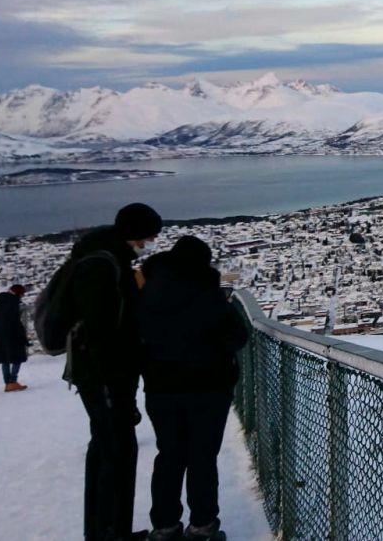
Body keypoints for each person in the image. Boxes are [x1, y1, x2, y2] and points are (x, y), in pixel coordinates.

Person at [139, 235, 246, 541]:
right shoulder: (207, 293)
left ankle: (164, 525)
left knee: (169, 456)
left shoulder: (146, 294)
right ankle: (202, 526)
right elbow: (237, 335)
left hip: (161, 388)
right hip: (207, 388)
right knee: (202, 456)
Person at [69, 202, 162, 541]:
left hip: (108, 376)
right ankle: (107, 532)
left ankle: (112, 530)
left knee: (112, 451)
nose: (148, 243)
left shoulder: (108, 260)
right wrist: (113, 379)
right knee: (113, 454)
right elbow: (103, 331)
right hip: (104, 376)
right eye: (147, 237)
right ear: (133, 233)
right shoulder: (102, 266)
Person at [0, 283, 29, 391]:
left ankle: (8, 383)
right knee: (18, 357)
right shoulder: (13, 302)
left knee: (5, 359)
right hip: (12, 334)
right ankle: (13, 381)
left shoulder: (0, 301)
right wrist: (23, 336)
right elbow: (15, 321)